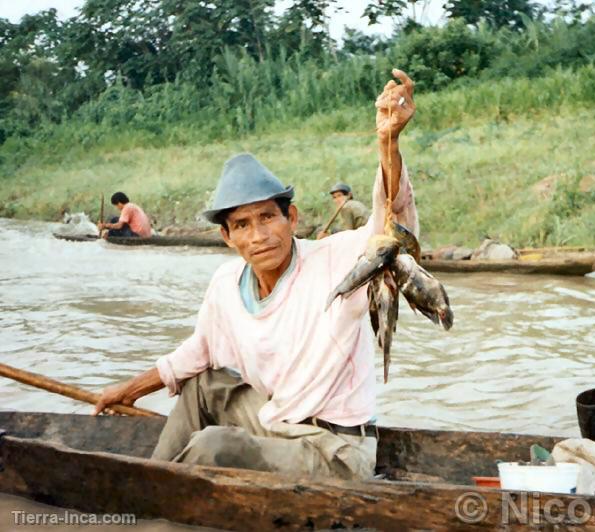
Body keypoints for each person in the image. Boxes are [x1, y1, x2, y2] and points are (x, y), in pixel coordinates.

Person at [92, 69, 419, 481]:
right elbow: (198, 353)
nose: (260, 235)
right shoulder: (226, 284)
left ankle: (154, 492)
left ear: (292, 218)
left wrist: (388, 143)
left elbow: (393, 228)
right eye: (243, 225)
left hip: (335, 449)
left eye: (268, 217)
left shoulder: (339, 259)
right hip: (275, 422)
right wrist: (124, 391)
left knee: (215, 446)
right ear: (227, 236)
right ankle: (154, 479)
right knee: (204, 385)